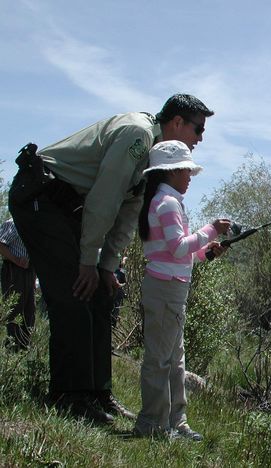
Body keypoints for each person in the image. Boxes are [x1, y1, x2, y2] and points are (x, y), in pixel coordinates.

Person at [8, 94, 214, 425]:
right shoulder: (136, 135)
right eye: (198, 129)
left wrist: (106, 266)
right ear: (177, 123)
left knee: (103, 293)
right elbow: (104, 199)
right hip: (41, 198)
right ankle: (69, 397)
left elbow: (128, 212)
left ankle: (98, 393)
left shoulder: (154, 156)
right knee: (75, 292)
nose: (200, 138)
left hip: (67, 209)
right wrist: (88, 262)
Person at [133, 140, 229, 440]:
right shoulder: (168, 203)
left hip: (171, 289)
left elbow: (180, 252)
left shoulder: (165, 201)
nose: (190, 176)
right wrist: (210, 230)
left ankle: (176, 422)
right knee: (161, 360)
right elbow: (176, 249)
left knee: (175, 360)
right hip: (165, 290)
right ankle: (153, 425)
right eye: (187, 170)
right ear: (171, 171)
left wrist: (206, 251)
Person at [0, 218, 36, 350]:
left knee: (29, 311)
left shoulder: (32, 225)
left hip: (29, 271)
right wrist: (16, 260)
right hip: (14, 271)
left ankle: (24, 350)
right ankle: (12, 350)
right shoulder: (13, 223)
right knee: (14, 310)